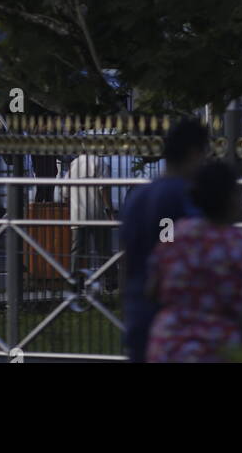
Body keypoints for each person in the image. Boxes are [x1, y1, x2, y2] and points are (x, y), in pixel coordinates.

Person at [121, 118, 209, 362]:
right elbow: (171, 254)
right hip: (172, 320)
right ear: (194, 153)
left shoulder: (138, 196)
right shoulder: (182, 196)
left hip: (137, 311)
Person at [146, 161, 242, 363]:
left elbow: (152, 289)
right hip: (218, 350)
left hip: (167, 346)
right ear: (229, 198)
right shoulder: (241, 245)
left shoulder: (176, 234)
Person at [69, 152, 116, 283]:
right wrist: (110, 212)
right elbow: (104, 189)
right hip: (96, 215)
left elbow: (65, 192)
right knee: (104, 250)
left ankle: (74, 283)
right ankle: (111, 281)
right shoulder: (100, 163)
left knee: (77, 251)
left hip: (77, 214)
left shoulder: (74, 164)